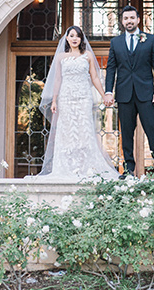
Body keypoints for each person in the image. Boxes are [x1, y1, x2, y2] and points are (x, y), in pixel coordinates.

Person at [36, 26, 119, 180]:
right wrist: (54, 100)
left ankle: (85, 166)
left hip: (83, 98)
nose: (74, 38)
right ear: (66, 38)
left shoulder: (87, 55)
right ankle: (67, 167)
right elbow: (58, 79)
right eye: (71, 35)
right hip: (66, 98)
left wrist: (105, 95)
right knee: (67, 131)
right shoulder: (61, 57)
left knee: (84, 130)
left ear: (81, 39)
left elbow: (94, 77)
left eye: (78, 36)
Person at [104, 5, 154, 178]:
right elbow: (111, 69)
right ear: (122, 21)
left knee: (152, 130)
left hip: (146, 94)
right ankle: (128, 170)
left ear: (138, 20)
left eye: (132, 18)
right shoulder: (115, 42)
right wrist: (109, 91)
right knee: (127, 133)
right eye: (126, 18)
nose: (129, 21)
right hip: (124, 95)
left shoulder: (151, 40)